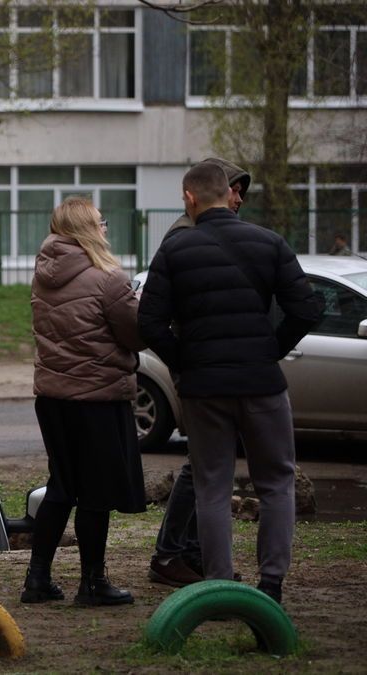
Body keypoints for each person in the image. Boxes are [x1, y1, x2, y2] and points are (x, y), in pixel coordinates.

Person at [138, 162, 321, 604]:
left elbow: (149, 321)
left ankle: (219, 585)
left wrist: (185, 362)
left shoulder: (175, 249)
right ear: (229, 194)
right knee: (276, 481)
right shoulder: (269, 242)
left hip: (204, 389)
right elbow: (307, 309)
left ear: (190, 198)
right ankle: (271, 583)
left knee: (212, 485)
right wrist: (269, 348)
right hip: (262, 383)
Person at [22, 197, 146, 607]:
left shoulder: (43, 275)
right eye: (100, 221)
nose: (106, 227)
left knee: (61, 485)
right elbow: (135, 334)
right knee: (95, 493)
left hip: (53, 398)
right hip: (97, 398)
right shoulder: (109, 279)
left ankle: (37, 579)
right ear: (87, 228)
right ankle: (93, 582)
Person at [148, 157, 253, 588]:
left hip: (211, 364)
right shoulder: (186, 233)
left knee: (209, 464)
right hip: (199, 366)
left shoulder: (203, 231)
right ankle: (170, 554)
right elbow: (160, 313)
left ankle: (188, 552)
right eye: (236, 189)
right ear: (214, 190)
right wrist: (184, 357)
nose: (240, 198)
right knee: (202, 465)